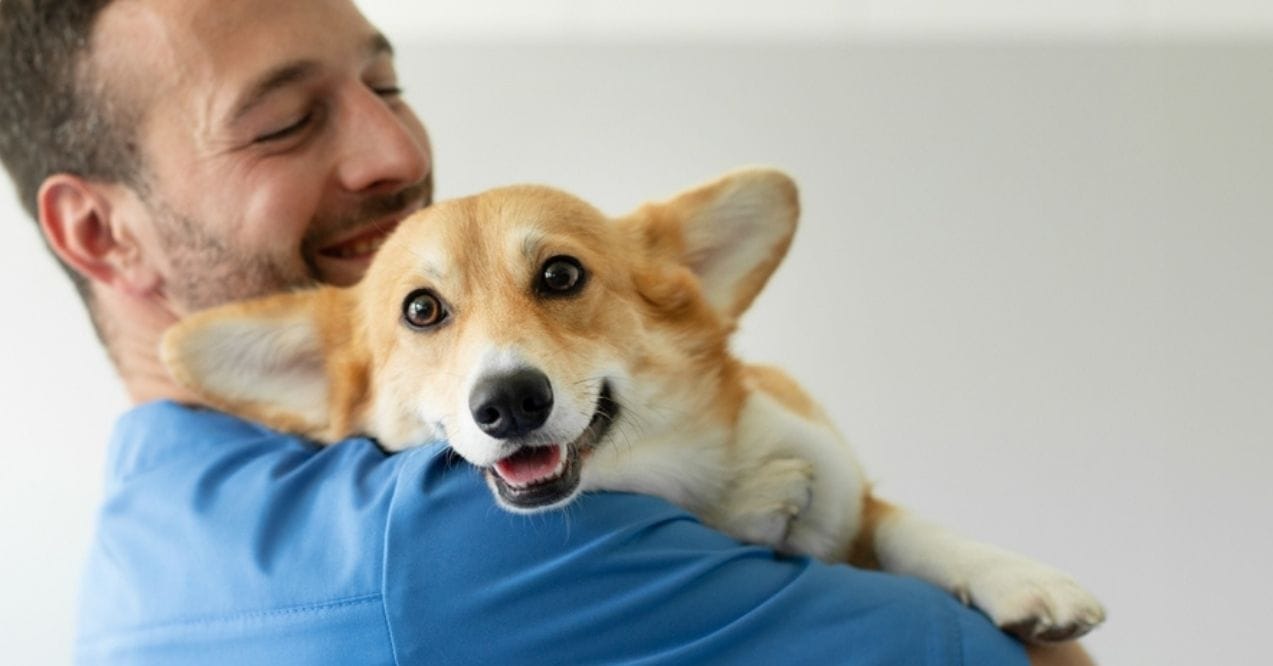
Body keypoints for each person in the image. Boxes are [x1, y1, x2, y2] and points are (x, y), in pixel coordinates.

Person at [0, 1, 1092, 663]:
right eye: (282, 122)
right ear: (99, 229)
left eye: (388, 82)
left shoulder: (138, 558)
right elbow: (1048, 663)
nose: (396, 148)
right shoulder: (446, 538)